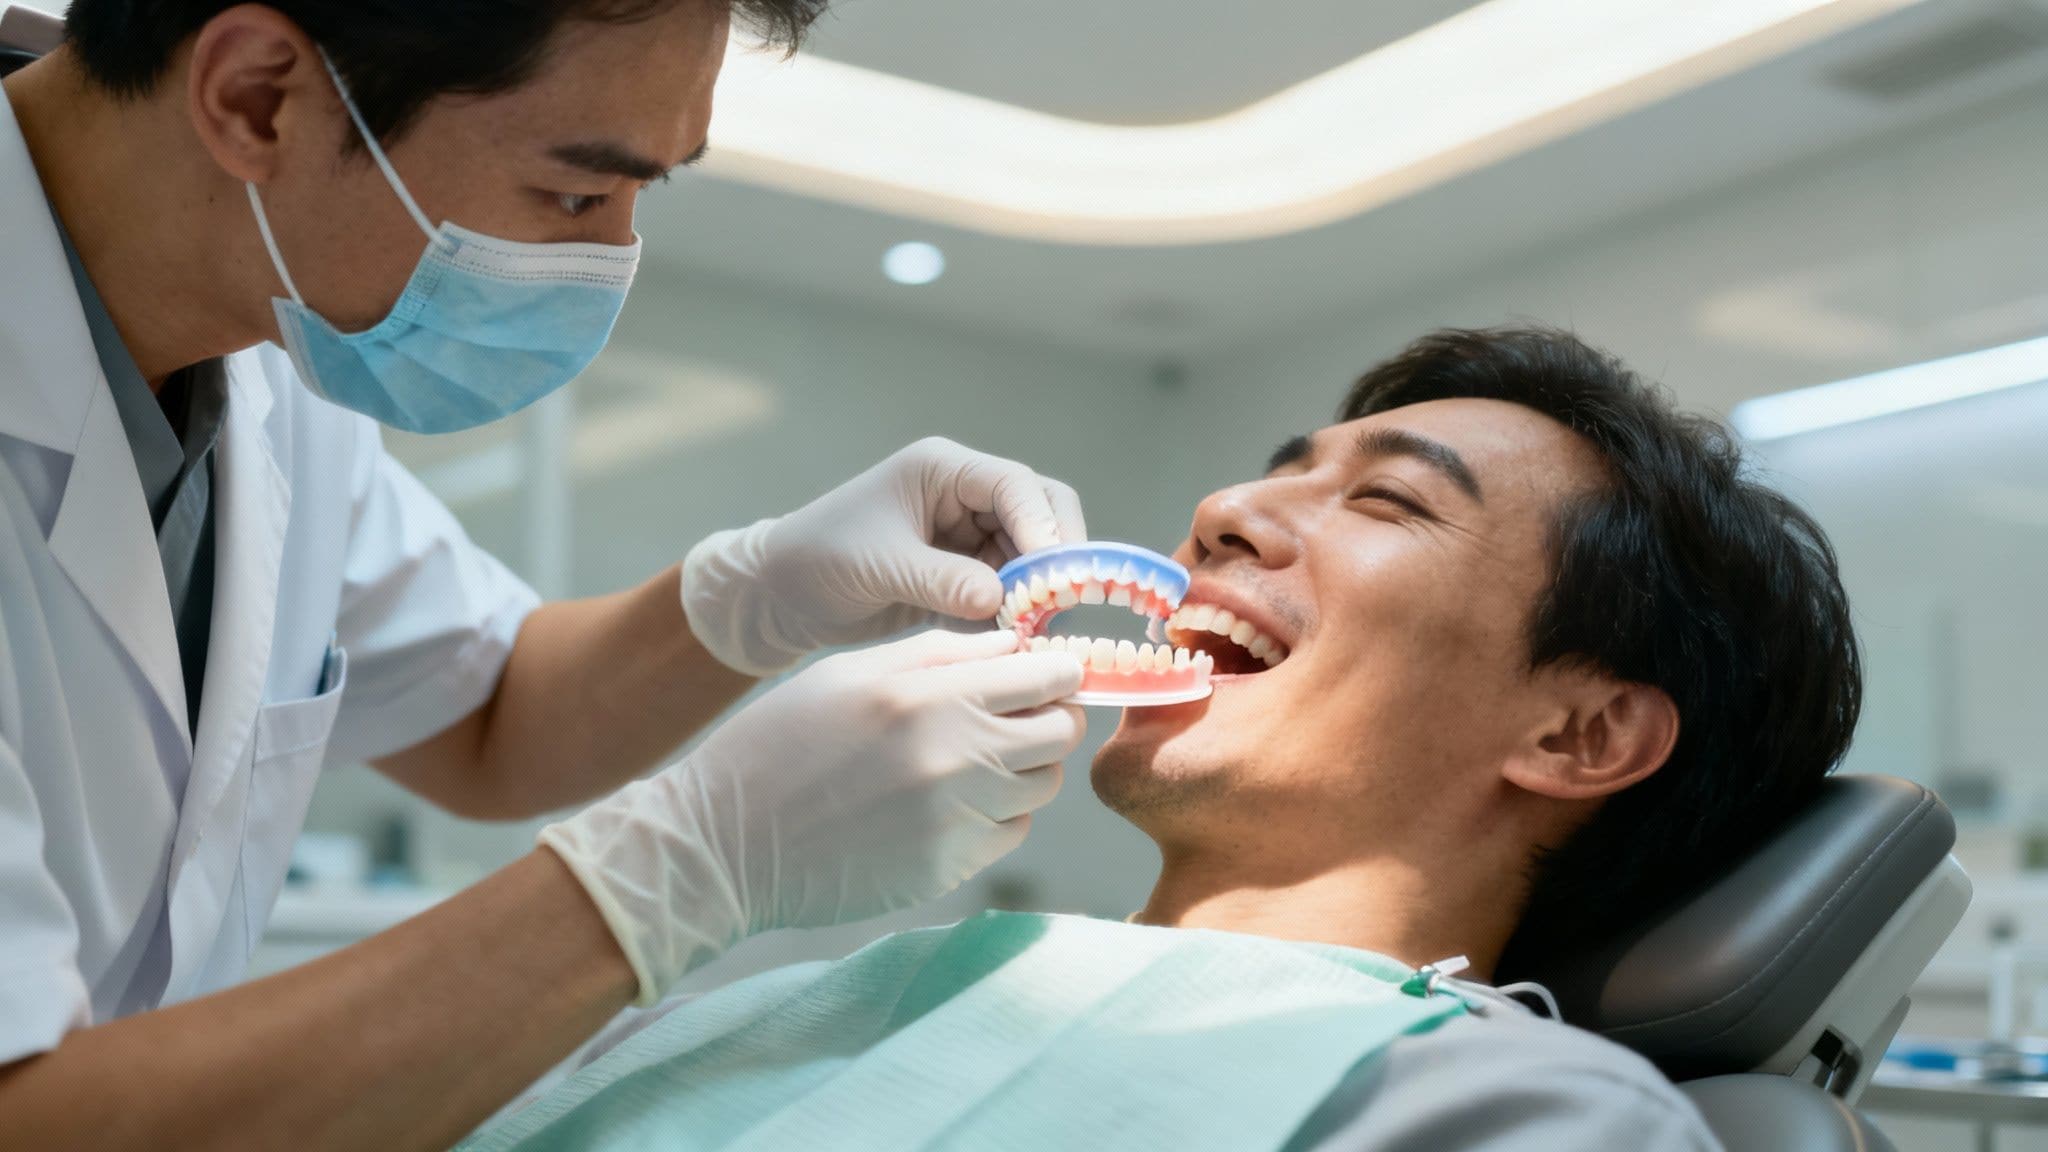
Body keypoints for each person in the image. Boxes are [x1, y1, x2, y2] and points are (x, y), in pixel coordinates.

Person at [0, 2, 1101, 1148]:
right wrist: (676, 874)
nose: (604, 267)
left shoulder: (268, 362)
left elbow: (489, 714)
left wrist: (755, 594)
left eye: (638, 199)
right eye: (575, 196)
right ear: (256, 97)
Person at [457, 327, 1863, 1152]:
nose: (1222, 514)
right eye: (1275, 471)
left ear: (1581, 731)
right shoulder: (832, 993)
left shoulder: (1524, 1115)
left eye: (1388, 504)